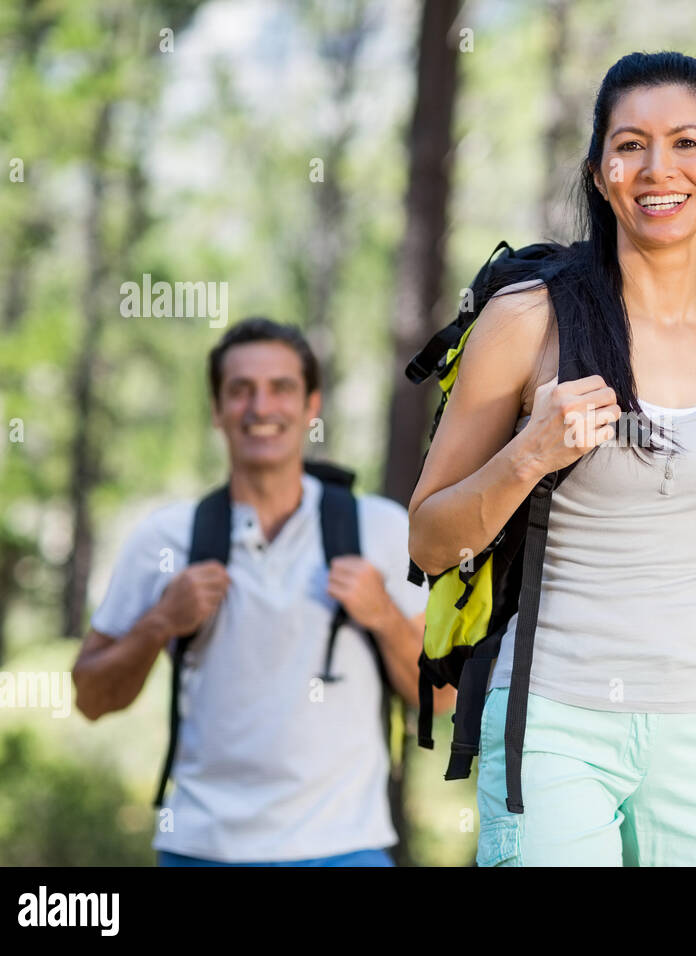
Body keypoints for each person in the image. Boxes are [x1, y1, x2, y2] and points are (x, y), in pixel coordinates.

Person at [407, 51, 696, 866]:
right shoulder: (529, 319)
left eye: (686, 142)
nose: (658, 169)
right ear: (601, 172)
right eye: (631, 145)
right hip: (553, 719)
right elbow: (430, 542)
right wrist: (530, 453)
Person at [72, 317, 453, 866]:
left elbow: (441, 698)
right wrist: (160, 622)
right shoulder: (167, 537)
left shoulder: (380, 529)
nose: (260, 407)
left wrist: (384, 616)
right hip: (200, 850)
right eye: (240, 390)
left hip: (346, 848)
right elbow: (90, 697)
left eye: (281, 388)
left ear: (310, 405)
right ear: (217, 408)